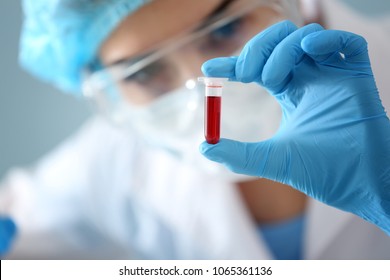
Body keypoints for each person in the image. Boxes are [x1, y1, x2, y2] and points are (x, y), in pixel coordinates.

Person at [0, 0, 389, 260]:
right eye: (144, 71)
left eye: (228, 28)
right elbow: (20, 219)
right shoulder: (110, 161)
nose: (200, 87)